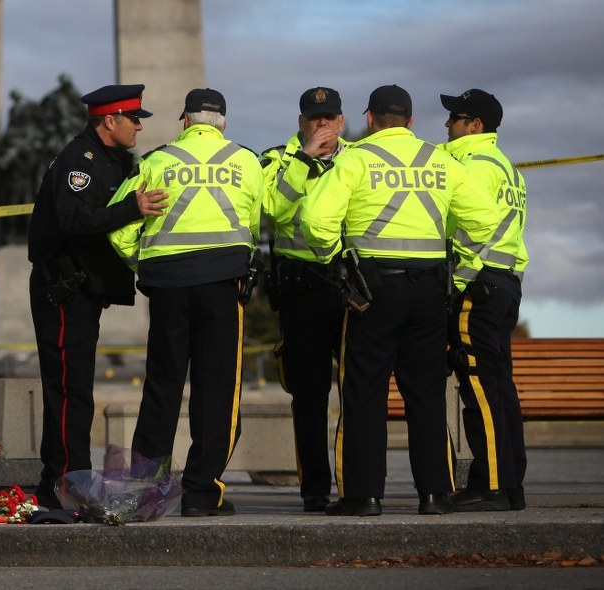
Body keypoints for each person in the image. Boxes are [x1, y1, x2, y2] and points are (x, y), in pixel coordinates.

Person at [300, 85, 500, 516]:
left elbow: (315, 221)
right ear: (410, 122)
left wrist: (337, 260)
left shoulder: (356, 159)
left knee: (364, 392)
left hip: (372, 290)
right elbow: (485, 221)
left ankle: (365, 496)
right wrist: (458, 264)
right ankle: (434, 494)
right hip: (430, 290)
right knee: (426, 393)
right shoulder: (440, 159)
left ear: (369, 119)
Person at [107, 88, 263, 517]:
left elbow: (119, 229)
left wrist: (143, 264)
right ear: (224, 124)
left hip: (168, 288)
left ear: (184, 122)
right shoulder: (247, 162)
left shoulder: (156, 162)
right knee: (217, 391)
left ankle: (144, 493)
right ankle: (200, 493)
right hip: (222, 286)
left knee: (161, 388)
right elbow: (255, 219)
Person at [27, 84, 168, 508]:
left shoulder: (112, 159)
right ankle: (70, 484)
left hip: (81, 289)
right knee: (72, 391)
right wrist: (132, 209)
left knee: (71, 388)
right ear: (110, 121)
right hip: (64, 290)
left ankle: (56, 482)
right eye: (133, 119)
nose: (139, 127)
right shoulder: (80, 159)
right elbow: (73, 219)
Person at [440, 89, 529, 512]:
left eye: (454, 118)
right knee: (498, 386)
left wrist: (456, 283)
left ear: (475, 125)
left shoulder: (473, 167)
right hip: (505, 283)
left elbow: (476, 230)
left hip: (479, 284)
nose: (447, 126)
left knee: (478, 386)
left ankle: (490, 484)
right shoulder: (507, 167)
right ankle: (510, 482)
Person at [260, 87, 348, 512]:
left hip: (351, 290)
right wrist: (305, 160)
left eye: (329, 117)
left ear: (342, 121)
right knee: (309, 397)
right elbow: (272, 208)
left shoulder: (359, 157)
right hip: (301, 290)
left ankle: (357, 484)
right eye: (314, 118)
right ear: (301, 122)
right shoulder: (277, 158)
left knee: (359, 393)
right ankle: (315, 488)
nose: (322, 125)